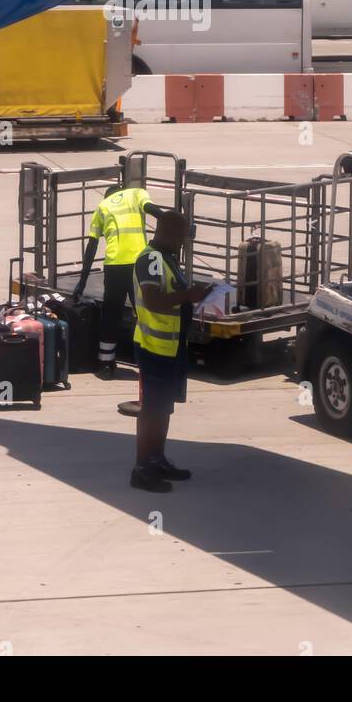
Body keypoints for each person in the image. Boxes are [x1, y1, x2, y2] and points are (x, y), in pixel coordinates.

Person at [130, 210, 211, 492]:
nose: (183, 242)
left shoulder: (167, 260)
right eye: (181, 236)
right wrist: (189, 296)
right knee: (152, 409)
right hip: (154, 347)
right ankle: (142, 468)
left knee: (163, 408)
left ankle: (157, 458)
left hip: (172, 346)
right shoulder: (150, 259)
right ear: (168, 232)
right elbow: (153, 301)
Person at [75, 183, 165, 378]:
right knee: (145, 314)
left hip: (114, 266)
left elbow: (91, 246)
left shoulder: (102, 206)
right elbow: (151, 209)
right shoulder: (136, 194)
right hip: (139, 264)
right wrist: (173, 222)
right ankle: (151, 361)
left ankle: (105, 364)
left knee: (111, 315)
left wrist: (82, 280)